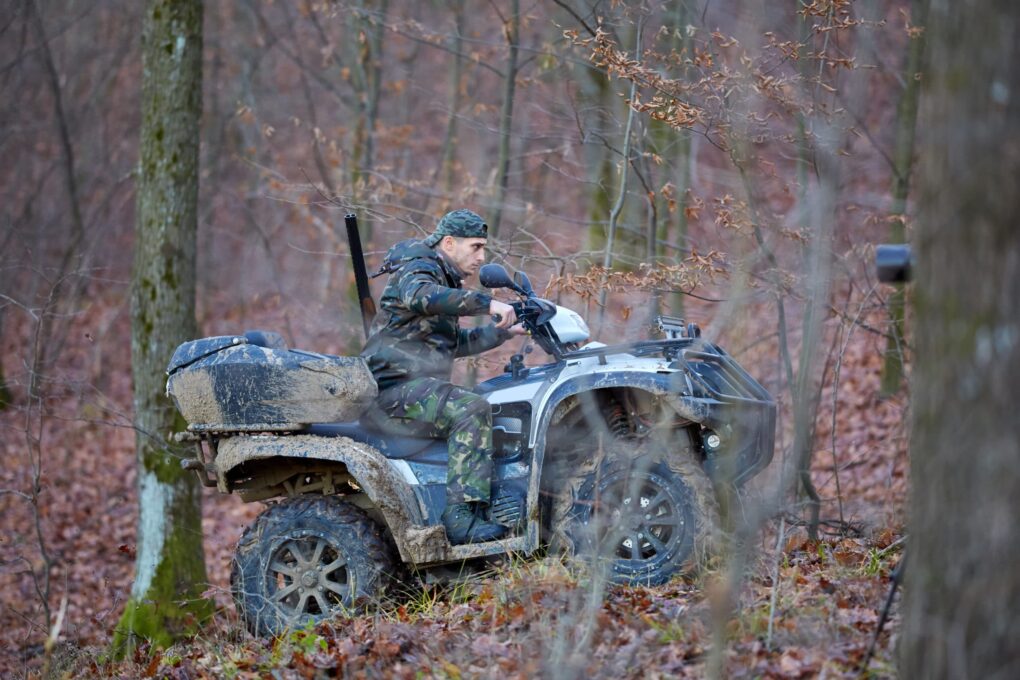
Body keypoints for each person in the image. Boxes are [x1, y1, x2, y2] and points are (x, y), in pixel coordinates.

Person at [361, 209, 526, 545]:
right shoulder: (419, 268)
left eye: (483, 249)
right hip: (390, 392)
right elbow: (419, 295)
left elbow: (452, 345)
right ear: (449, 243)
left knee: (492, 403)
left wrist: (505, 334)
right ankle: (460, 518)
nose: (482, 257)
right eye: (475, 247)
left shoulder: (442, 280)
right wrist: (486, 303)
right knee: (470, 408)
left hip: (413, 390)